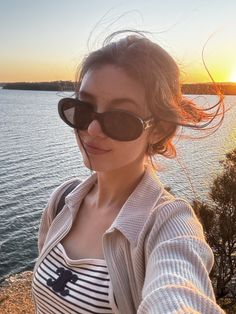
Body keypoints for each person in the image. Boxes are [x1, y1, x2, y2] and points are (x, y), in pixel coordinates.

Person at [32, 30, 225, 313]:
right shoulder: (62, 200)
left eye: (121, 118)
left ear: (158, 129)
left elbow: (177, 292)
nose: (92, 130)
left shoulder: (169, 225)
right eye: (83, 109)